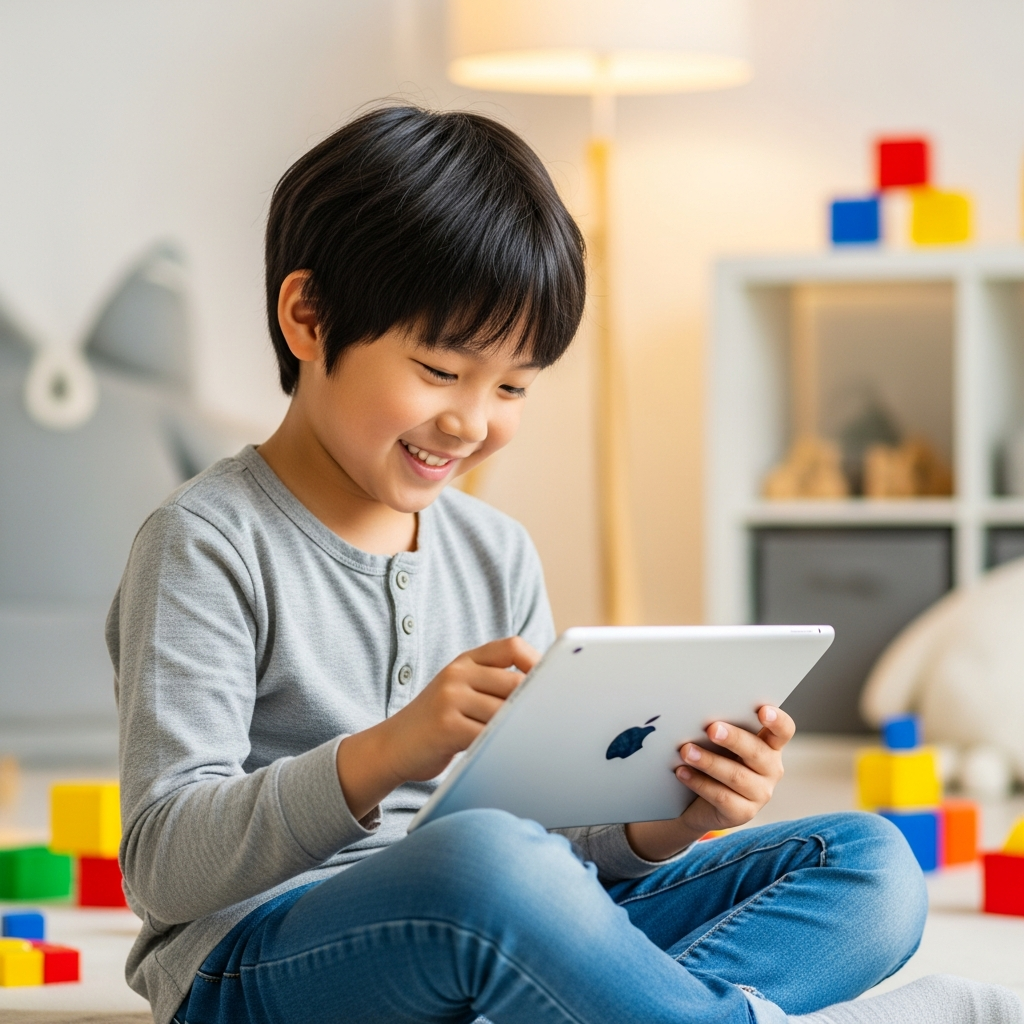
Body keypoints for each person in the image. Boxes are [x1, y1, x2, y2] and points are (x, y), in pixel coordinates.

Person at [108, 105, 1022, 1024]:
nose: (473, 421)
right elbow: (161, 866)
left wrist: (669, 822)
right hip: (255, 965)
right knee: (490, 865)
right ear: (308, 318)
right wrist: (387, 754)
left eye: (511, 386)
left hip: (492, 930)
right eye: (438, 369)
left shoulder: (493, 549)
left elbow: (562, 843)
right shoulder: (207, 541)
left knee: (868, 864)